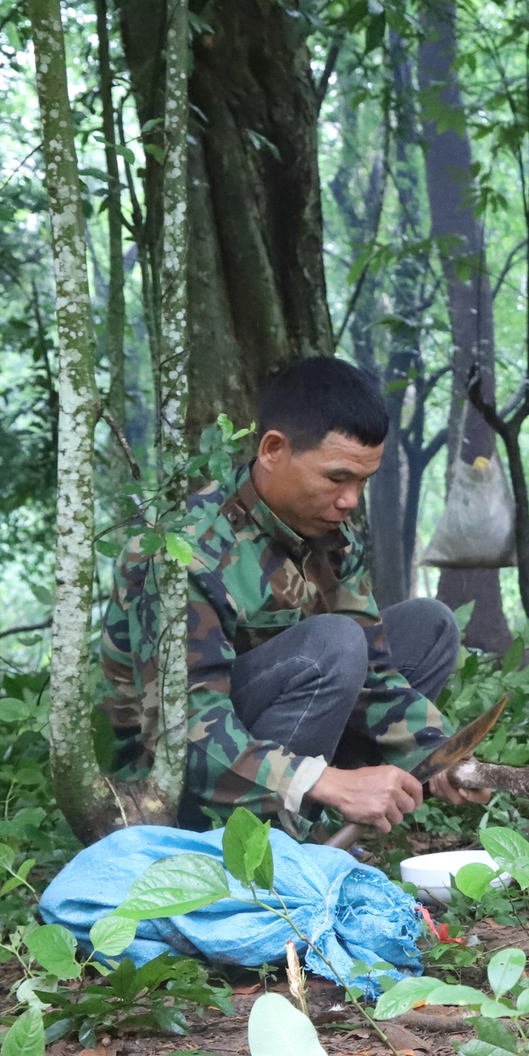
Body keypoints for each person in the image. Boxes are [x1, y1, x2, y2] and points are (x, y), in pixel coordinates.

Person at [99, 356, 485, 834]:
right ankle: (270, 843)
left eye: (362, 482)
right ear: (273, 449)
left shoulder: (333, 536)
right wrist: (324, 780)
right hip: (173, 794)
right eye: (336, 478)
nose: (350, 501)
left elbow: (377, 673)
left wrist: (438, 755)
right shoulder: (180, 551)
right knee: (335, 644)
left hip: (282, 740)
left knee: (430, 626)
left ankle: (317, 818)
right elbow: (181, 740)